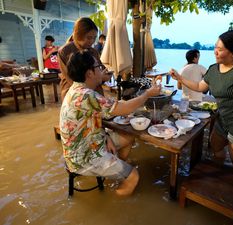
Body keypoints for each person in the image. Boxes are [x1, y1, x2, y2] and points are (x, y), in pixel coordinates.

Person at [60, 50, 161, 196]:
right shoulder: (85, 95)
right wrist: (147, 94)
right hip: (83, 158)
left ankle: (115, 169)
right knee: (134, 176)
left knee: (128, 137)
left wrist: (106, 136)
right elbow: (124, 108)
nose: (102, 70)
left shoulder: (77, 89)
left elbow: (93, 119)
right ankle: (116, 203)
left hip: (89, 144)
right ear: (89, 73)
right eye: (98, 67)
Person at [170, 30, 233, 172]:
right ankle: (218, 176)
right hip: (223, 120)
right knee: (215, 145)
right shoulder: (213, 69)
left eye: (220, 49)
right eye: (215, 47)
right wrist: (180, 78)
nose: (215, 52)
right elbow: (199, 86)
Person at [58, 17, 111, 101]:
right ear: (78, 35)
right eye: (89, 37)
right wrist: (100, 77)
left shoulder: (93, 51)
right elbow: (73, 81)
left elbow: (99, 70)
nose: (92, 41)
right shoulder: (65, 51)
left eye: (94, 38)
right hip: (76, 97)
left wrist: (105, 75)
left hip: (95, 93)